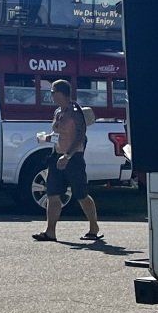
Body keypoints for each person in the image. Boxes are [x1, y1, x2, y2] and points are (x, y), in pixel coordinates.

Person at [33, 79, 101, 243]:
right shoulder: (58, 112)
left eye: (52, 92)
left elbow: (80, 136)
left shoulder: (75, 112)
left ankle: (94, 227)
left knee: (81, 194)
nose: (51, 96)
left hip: (73, 158)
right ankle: (50, 232)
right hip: (57, 157)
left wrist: (68, 155)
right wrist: (46, 138)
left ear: (61, 93)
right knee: (52, 194)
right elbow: (58, 134)